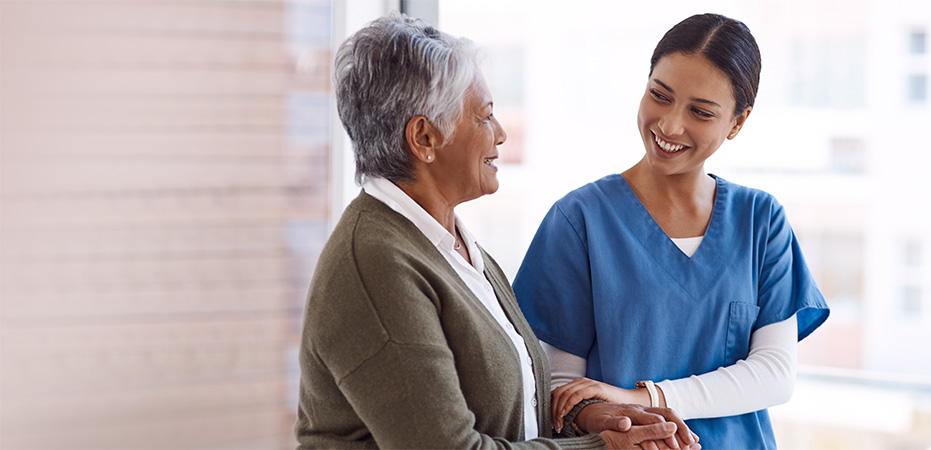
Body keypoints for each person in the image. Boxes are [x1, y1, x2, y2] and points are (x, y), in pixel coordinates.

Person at [294, 13, 701, 450]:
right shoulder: (377, 265)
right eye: (485, 117)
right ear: (425, 138)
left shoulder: (451, 245)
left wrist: (587, 418)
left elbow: (504, 405)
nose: (502, 134)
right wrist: (602, 447)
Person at [512, 13, 830, 450]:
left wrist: (644, 397)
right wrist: (614, 417)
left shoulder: (761, 220)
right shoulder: (579, 220)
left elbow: (775, 374)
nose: (669, 125)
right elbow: (562, 387)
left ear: (737, 122)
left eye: (700, 112)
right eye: (659, 96)